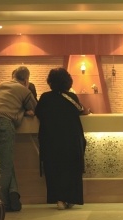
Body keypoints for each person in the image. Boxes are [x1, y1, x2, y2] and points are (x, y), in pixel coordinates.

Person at [0, 66, 37, 211]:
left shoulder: (1, 85)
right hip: (4, 124)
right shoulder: (24, 90)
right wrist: (25, 111)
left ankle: (12, 196)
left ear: (13, 76)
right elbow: (35, 109)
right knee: (5, 166)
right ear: (26, 80)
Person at [35, 67, 89, 210]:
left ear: (50, 82)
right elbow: (82, 110)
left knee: (54, 168)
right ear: (68, 81)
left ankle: (59, 199)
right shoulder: (71, 97)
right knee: (71, 168)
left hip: (51, 140)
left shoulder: (45, 97)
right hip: (71, 139)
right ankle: (71, 198)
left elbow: (38, 113)